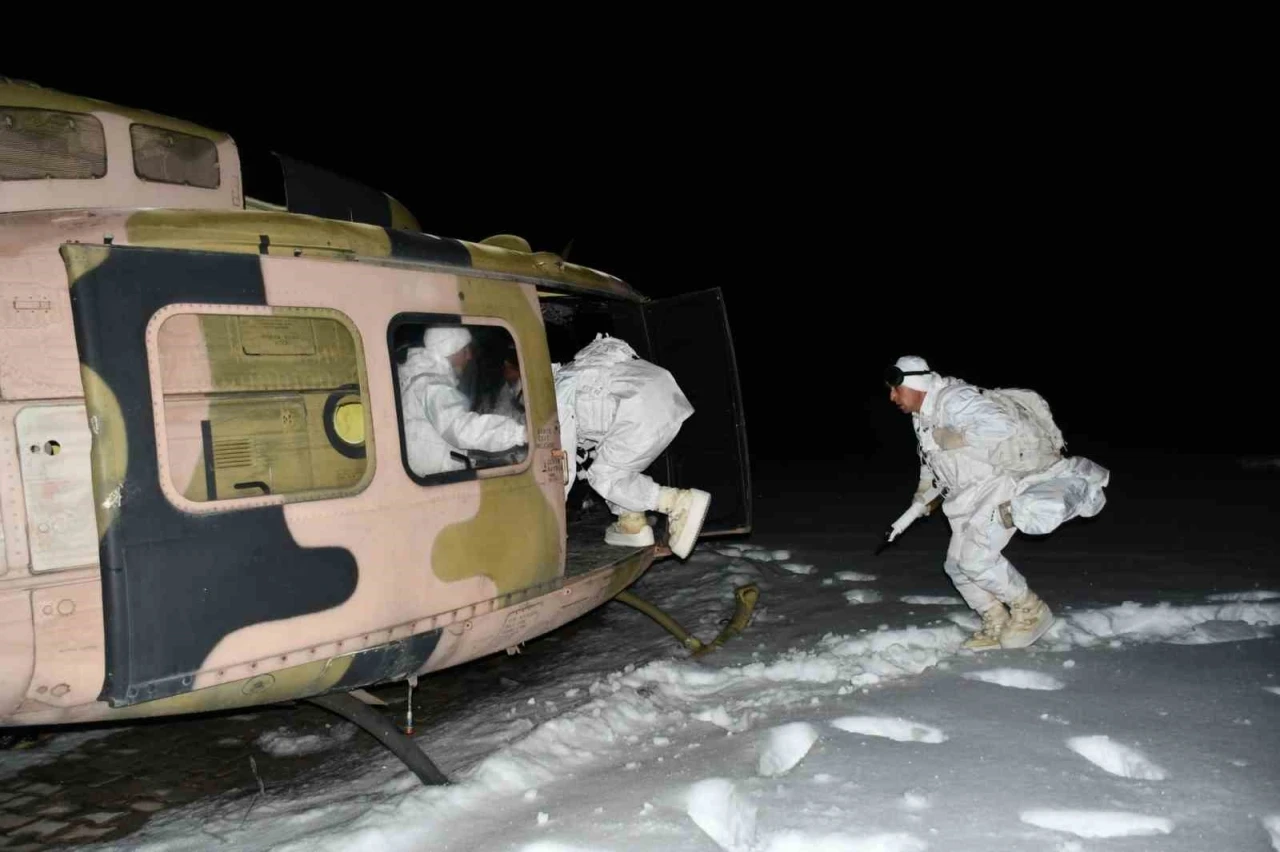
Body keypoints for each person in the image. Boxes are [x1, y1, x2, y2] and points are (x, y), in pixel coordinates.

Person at [885, 355, 1109, 651]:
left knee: (976, 560)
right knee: (957, 566)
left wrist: (956, 437)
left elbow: (1002, 426)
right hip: (966, 497)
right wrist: (923, 492)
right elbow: (931, 459)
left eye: (895, 389)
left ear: (916, 384)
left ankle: (1030, 610)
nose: (892, 397)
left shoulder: (954, 399)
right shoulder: (922, 417)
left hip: (997, 486)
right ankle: (996, 620)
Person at [553, 333, 711, 559]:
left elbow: (562, 458)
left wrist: (553, 512)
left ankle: (677, 502)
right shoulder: (575, 373)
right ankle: (632, 523)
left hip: (638, 408)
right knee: (613, 466)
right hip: (661, 396)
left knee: (604, 476)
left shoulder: (558, 391)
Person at [398, 326, 527, 477]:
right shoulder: (434, 386)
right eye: (465, 350)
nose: (469, 356)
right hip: (434, 480)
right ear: (452, 350)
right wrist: (519, 433)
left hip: (429, 477)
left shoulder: (421, 380)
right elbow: (462, 429)